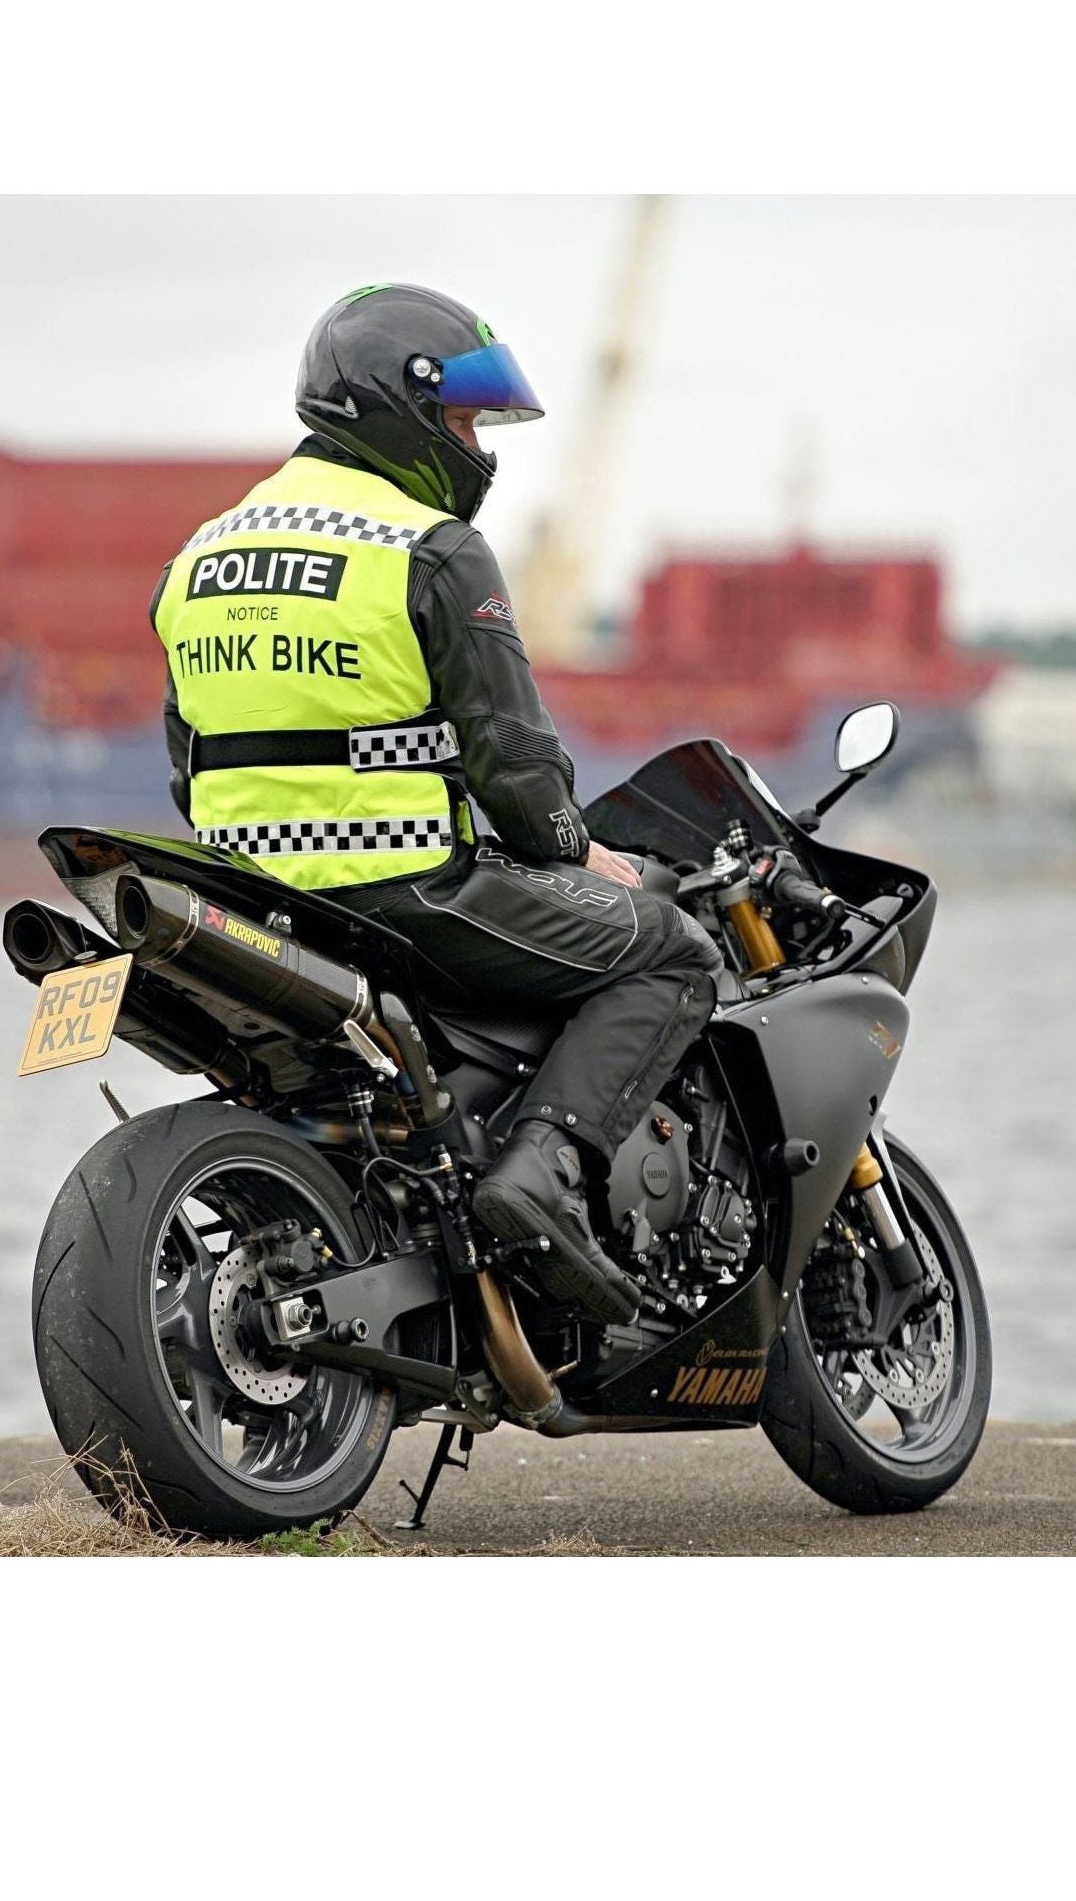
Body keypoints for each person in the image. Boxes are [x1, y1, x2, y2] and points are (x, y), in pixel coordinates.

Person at [149, 283, 718, 1324]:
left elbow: (189, 769)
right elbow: (517, 768)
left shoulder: (197, 557)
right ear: (397, 406)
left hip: (251, 899)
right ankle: (543, 1173)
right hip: (406, 889)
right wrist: (577, 851)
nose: (476, 447)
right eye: (462, 420)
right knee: (675, 953)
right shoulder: (428, 547)